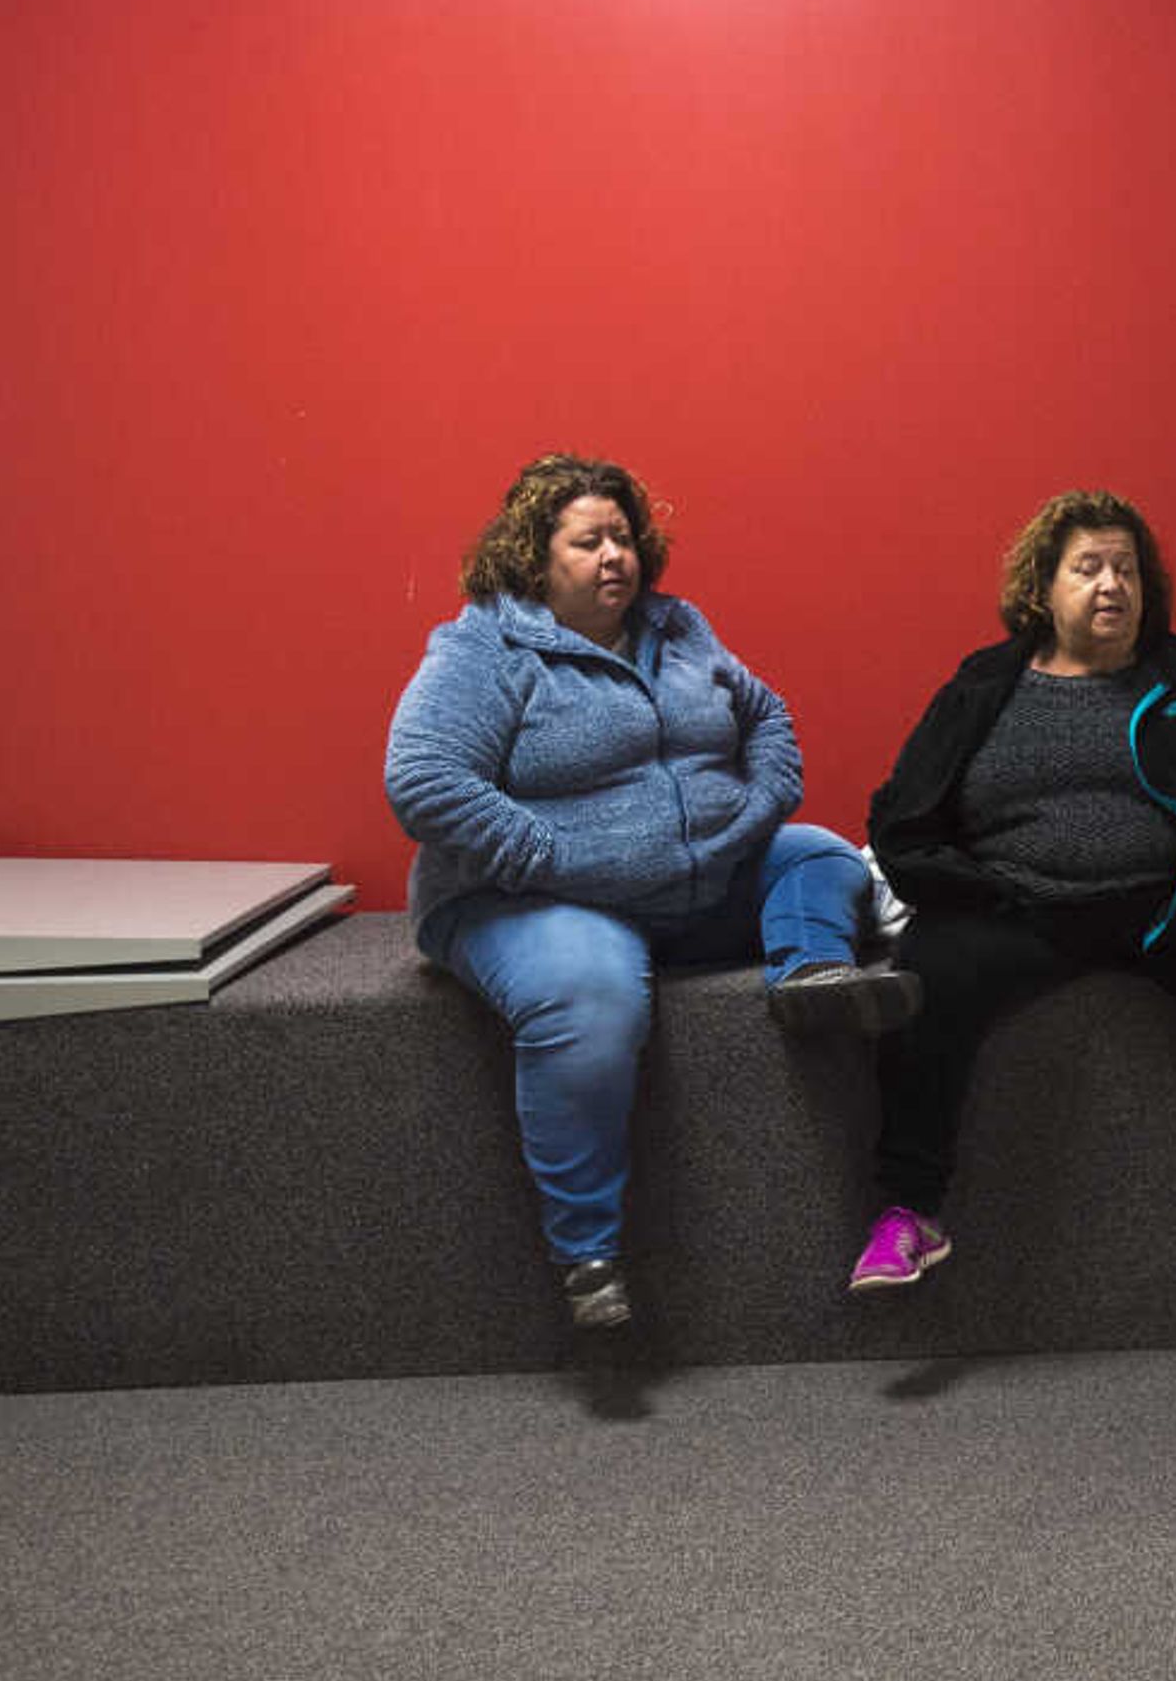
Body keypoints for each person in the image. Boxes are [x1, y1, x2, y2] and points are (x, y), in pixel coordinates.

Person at [386, 452, 915, 1332]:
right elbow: (424, 778)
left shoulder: (678, 627)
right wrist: (557, 855)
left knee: (820, 855)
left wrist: (758, 808)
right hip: (535, 899)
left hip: (695, 879)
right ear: (534, 555)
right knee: (590, 997)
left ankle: (812, 976)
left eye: (622, 538)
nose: (612, 558)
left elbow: (766, 716)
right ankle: (586, 1251)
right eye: (586, 541)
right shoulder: (487, 647)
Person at [850, 489, 1176, 1285]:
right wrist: (971, 887)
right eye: (1089, 568)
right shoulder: (982, 686)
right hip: (1018, 911)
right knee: (929, 967)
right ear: (1043, 587)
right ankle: (907, 1213)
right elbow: (901, 815)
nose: (1113, 586)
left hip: (1166, 908)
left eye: (1127, 569)